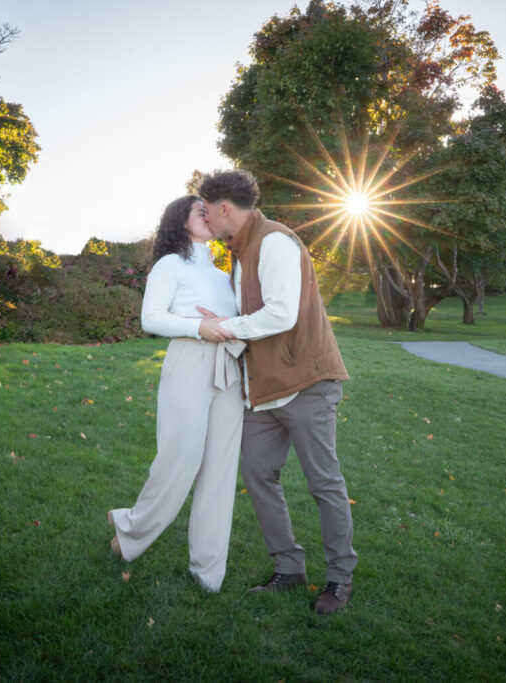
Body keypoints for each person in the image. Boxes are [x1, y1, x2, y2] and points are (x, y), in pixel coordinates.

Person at [197, 169, 357, 614]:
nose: (206, 219)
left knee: (324, 483)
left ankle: (340, 580)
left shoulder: (274, 242)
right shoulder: (240, 251)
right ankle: (289, 568)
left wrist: (223, 327)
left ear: (224, 207)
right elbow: (250, 312)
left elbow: (281, 314)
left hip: (307, 384)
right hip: (263, 392)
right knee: (258, 474)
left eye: (207, 211)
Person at [107, 195, 244, 592]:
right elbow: (150, 318)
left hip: (228, 371)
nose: (211, 215)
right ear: (180, 222)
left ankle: (208, 574)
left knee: (220, 473)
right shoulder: (171, 264)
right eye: (201, 211)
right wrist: (197, 327)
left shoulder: (224, 274)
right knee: (179, 461)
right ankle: (131, 528)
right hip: (188, 363)